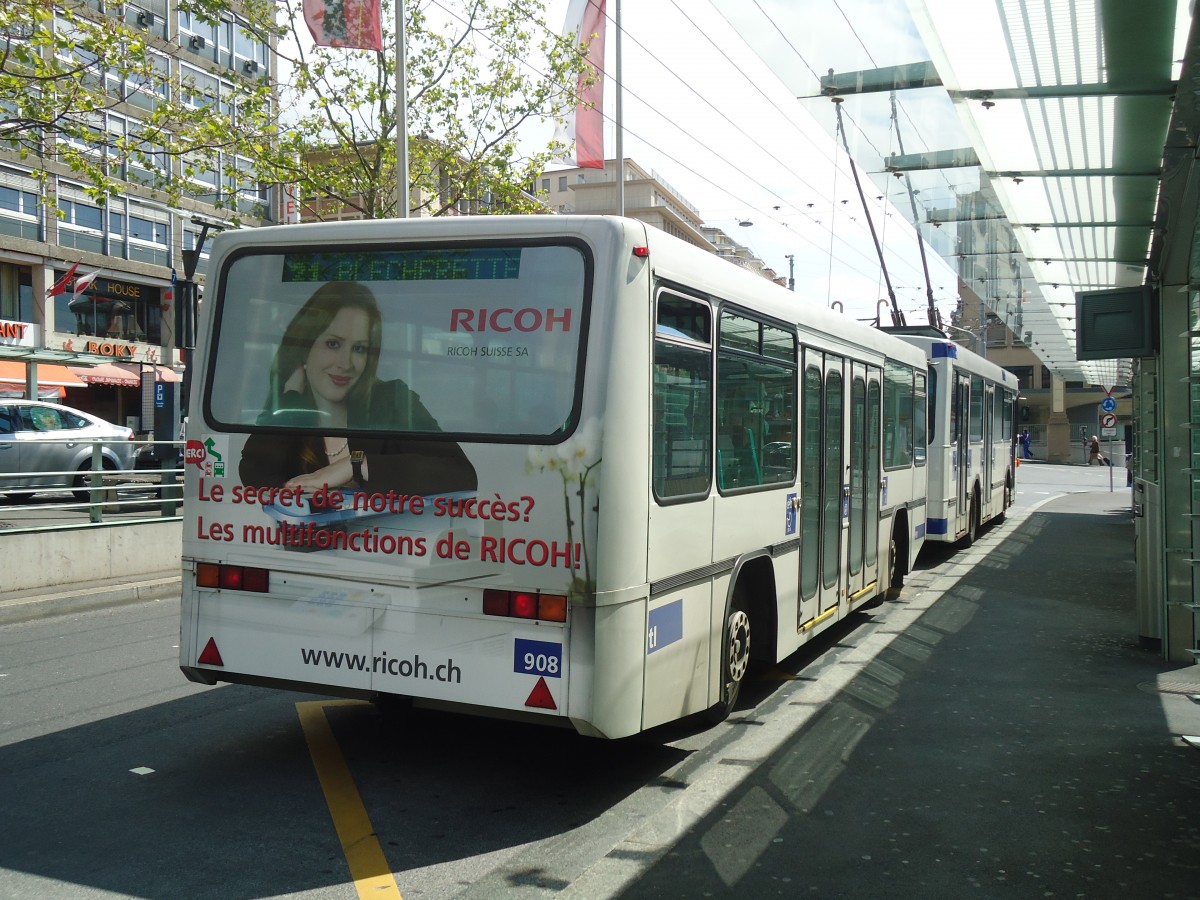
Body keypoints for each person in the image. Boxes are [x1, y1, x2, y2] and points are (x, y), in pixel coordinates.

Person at [238, 281, 477, 495]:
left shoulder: (391, 401)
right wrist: (291, 397)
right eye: (333, 344)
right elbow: (256, 475)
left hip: (385, 544)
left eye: (359, 349)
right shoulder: (292, 411)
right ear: (305, 346)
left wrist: (358, 465)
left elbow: (461, 474)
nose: (346, 364)